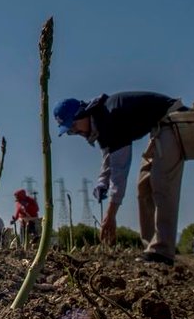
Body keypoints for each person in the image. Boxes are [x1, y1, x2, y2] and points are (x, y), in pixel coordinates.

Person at [54, 91, 186, 266]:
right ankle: (152, 249)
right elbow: (108, 157)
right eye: (70, 131)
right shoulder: (99, 122)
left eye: (73, 126)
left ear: (82, 113)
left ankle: (163, 252)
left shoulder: (109, 118)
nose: (75, 132)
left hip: (172, 120)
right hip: (158, 129)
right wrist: (102, 182)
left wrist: (111, 215)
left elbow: (120, 170)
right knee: (143, 188)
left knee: (162, 184)